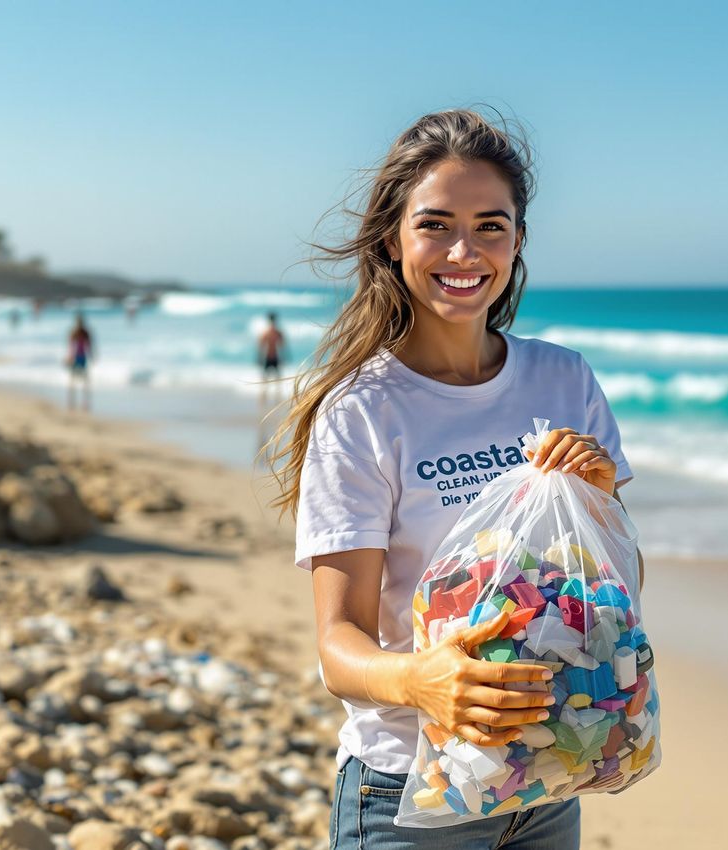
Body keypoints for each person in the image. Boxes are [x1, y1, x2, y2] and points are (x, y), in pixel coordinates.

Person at [267, 109, 641, 849]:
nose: (464, 251)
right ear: (393, 238)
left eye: (490, 226)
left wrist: (599, 499)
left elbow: (610, 595)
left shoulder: (564, 381)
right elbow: (338, 645)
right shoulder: (362, 411)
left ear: (518, 240)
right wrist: (422, 682)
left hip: (547, 775)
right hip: (408, 792)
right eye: (435, 224)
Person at [66, 313, 94, 412]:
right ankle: (71, 402)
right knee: (73, 380)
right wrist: (69, 357)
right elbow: (70, 346)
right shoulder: (73, 332)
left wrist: (91, 355)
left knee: (84, 381)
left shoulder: (85, 333)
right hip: (76, 357)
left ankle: (84, 402)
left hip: (82, 357)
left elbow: (89, 346)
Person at [257, 312, 287, 403]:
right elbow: (282, 346)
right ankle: (272, 397)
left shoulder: (266, 332)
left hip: (269, 357)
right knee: (273, 378)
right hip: (273, 357)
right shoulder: (277, 332)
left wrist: (259, 358)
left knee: (270, 378)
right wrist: (284, 357)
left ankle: (265, 397)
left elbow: (260, 346)